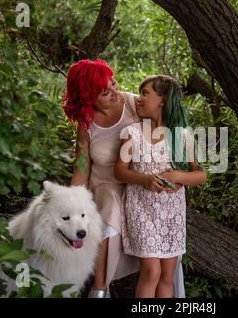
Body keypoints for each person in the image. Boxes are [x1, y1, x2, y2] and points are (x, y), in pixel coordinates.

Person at [62, 60, 186, 298]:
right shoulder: (86, 123)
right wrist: (72, 205)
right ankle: (99, 287)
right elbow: (82, 167)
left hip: (138, 181)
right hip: (106, 184)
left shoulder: (132, 104)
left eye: (114, 84)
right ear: (88, 97)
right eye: (105, 92)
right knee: (110, 205)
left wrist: (176, 173)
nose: (115, 93)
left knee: (134, 201)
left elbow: (166, 135)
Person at [114, 75, 207, 297]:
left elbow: (201, 176)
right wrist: (145, 180)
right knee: (151, 271)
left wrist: (177, 176)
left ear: (162, 100)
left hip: (171, 214)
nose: (139, 98)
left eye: (145, 93)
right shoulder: (133, 133)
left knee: (167, 274)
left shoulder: (182, 135)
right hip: (141, 209)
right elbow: (118, 171)